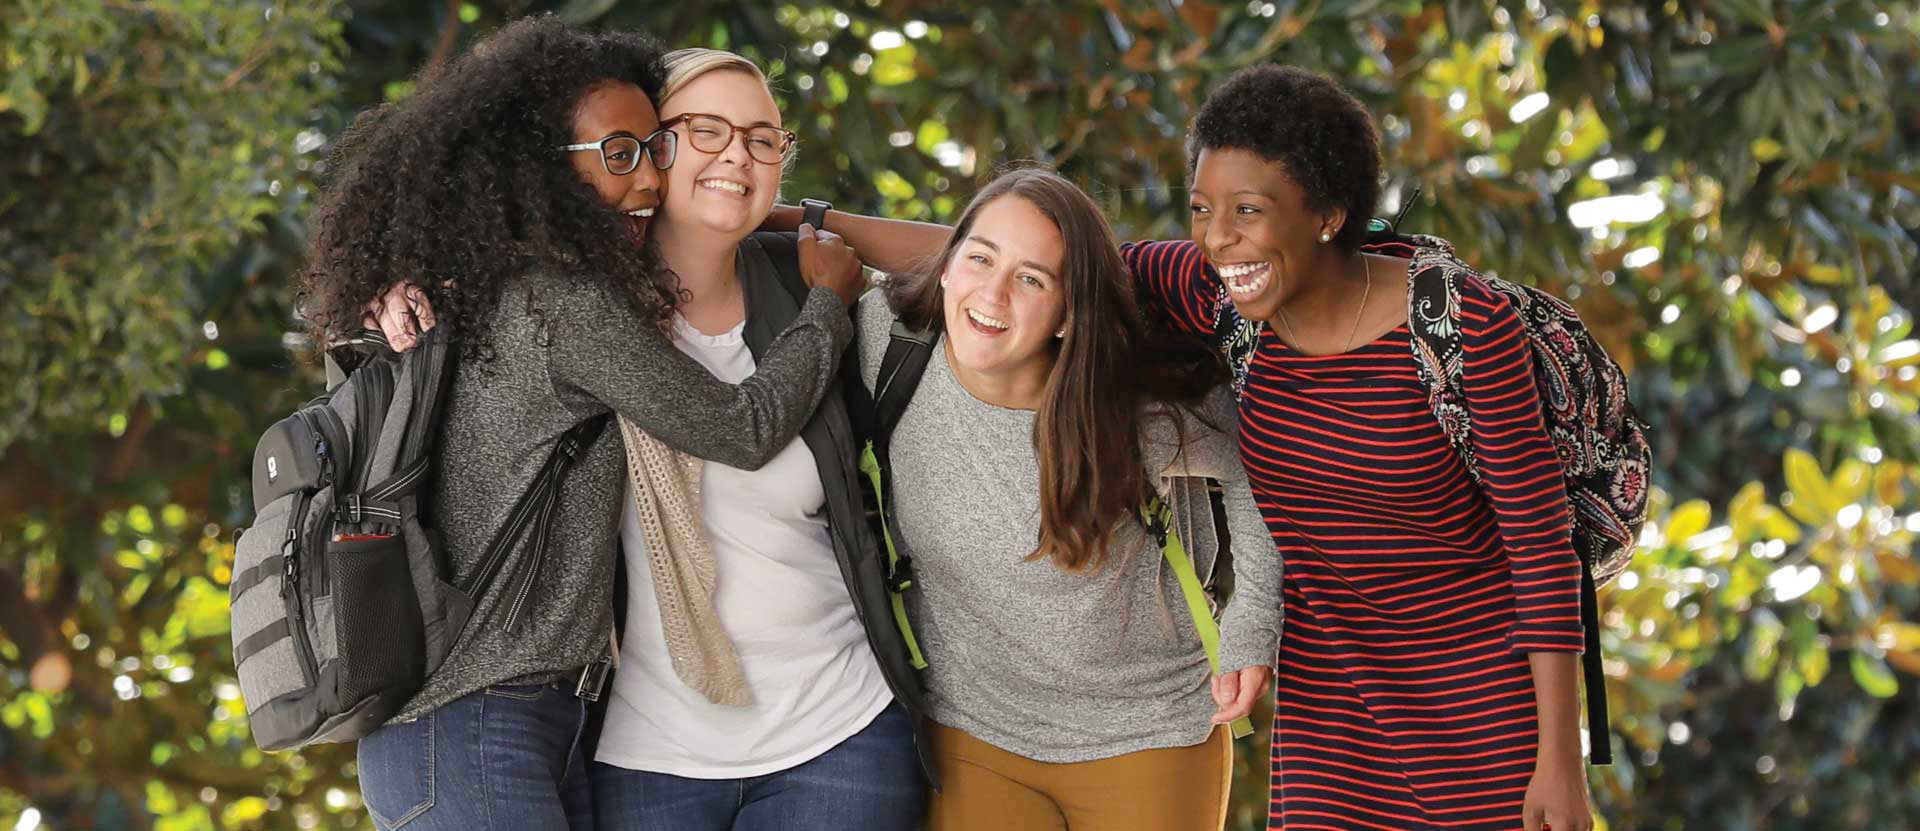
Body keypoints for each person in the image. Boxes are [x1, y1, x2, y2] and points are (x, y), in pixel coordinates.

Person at [775, 65, 1596, 831]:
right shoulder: (1215, 292)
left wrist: (1561, 755)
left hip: (1480, 687)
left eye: (1249, 210)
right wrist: (795, 221)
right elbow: (1033, 259)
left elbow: (1540, 545)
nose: (1218, 239)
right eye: (1202, 209)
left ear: (1328, 212)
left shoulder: (1462, 325)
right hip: (1329, 686)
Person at [301, 19, 865, 831]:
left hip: (524, 721)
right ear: (538, 170)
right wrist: (826, 308)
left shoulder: (483, 279)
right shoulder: (562, 302)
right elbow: (741, 428)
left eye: (655, 152)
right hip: (470, 722)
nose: (646, 181)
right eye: (621, 155)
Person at [857, 166, 1283, 830]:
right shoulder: (890, 342)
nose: (992, 293)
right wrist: (795, 214)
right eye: (979, 258)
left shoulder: (1135, 399)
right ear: (945, 265)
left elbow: (1260, 480)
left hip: (1147, 731)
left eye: (1032, 278)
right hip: (973, 728)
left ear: (1067, 312)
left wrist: (1251, 630)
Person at [582, 48, 927, 831]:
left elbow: (987, 256)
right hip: (644, 755)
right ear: (648, 149)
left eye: (762, 139)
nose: (737, 150)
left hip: (839, 734)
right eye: (705, 131)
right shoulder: (581, 310)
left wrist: (790, 216)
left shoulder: (806, 283)